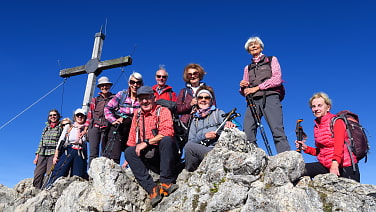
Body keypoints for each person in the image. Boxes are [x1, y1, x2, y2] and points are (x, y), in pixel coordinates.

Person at [124, 86, 179, 207]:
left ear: (153, 98)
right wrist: (128, 160)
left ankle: (166, 182)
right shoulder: (137, 115)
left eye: (147, 98)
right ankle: (152, 189)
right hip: (148, 155)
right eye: (141, 99)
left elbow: (168, 132)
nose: (144, 101)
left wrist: (147, 142)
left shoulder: (163, 111)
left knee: (166, 140)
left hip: (164, 153)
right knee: (128, 151)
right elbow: (132, 138)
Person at [239, 36, 290, 153]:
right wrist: (243, 88)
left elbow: (277, 79)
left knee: (277, 129)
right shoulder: (247, 68)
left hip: (270, 97)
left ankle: (285, 158)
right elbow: (245, 91)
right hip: (253, 100)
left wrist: (257, 88)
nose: (253, 46)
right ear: (248, 50)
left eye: (255, 44)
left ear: (261, 47)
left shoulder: (271, 60)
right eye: (250, 45)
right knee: (247, 131)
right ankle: (253, 156)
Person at [295, 92, 360, 182]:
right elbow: (322, 151)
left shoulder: (336, 122)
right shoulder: (317, 126)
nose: (316, 109)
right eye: (313, 106)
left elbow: (339, 146)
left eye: (319, 105)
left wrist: (334, 165)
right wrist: (306, 148)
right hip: (326, 165)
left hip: (345, 167)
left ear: (328, 107)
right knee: (298, 170)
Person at [184, 86, 236, 172]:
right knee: (188, 147)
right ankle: (192, 172)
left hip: (216, 151)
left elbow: (226, 123)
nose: (203, 100)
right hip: (200, 152)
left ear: (211, 101)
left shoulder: (218, 113)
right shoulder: (194, 119)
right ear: (197, 101)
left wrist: (229, 123)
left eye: (207, 98)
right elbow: (190, 141)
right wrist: (205, 136)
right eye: (200, 97)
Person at [104, 72, 143, 164]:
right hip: (119, 127)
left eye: (138, 83)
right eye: (132, 82)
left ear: (141, 84)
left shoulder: (143, 98)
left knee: (133, 153)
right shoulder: (122, 95)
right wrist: (113, 120)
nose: (135, 85)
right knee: (114, 153)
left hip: (134, 128)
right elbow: (107, 108)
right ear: (129, 83)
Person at [45, 108, 88, 188]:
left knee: (78, 175)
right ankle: (50, 187)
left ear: (85, 117)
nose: (79, 117)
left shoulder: (86, 129)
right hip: (68, 150)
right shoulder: (69, 127)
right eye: (77, 115)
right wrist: (56, 156)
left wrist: (86, 130)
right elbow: (61, 140)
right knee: (59, 170)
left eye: (81, 116)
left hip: (80, 152)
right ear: (75, 117)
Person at [85, 76, 115, 166]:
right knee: (93, 153)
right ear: (99, 87)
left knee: (105, 152)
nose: (104, 87)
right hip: (94, 126)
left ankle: (105, 172)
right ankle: (91, 173)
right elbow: (90, 115)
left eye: (106, 85)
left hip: (108, 126)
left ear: (109, 86)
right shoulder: (95, 100)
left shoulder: (114, 98)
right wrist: (86, 128)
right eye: (102, 86)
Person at [33, 109, 63, 189]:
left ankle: (46, 190)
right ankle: (36, 190)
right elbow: (41, 142)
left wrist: (57, 155)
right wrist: (37, 155)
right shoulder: (46, 128)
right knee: (37, 173)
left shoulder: (61, 128)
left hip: (53, 153)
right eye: (51, 115)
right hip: (43, 152)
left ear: (58, 116)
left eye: (54, 115)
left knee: (50, 173)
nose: (52, 117)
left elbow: (62, 141)